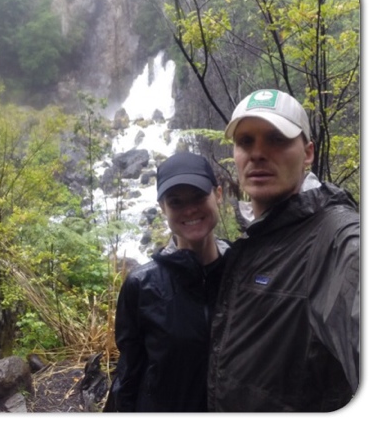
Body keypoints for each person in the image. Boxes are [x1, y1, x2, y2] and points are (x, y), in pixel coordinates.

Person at [207, 88, 359, 412]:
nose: (257, 153)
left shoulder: (336, 240)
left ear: (307, 153)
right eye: (245, 141)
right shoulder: (252, 242)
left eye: (276, 139)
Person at [105, 152, 228, 411]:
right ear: (163, 208)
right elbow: (129, 373)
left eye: (198, 197)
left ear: (218, 194)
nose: (190, 209)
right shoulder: (141, 285)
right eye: (176, 202)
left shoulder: (244, 271)